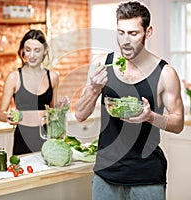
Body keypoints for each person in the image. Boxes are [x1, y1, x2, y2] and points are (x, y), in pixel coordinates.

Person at [75, 1, 184, 200]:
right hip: (106, 173)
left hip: (147, 175)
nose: (125, 41)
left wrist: (151, 117)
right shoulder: (102, 64)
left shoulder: (165, 73)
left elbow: (178, 124)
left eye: (133, 33)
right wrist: (93, 89)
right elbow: (80, 115)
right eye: (121, 32)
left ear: (148, 32)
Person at [0, 29, 59, 155]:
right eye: (28, 49)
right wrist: (9, 116)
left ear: (45, 51)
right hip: (23, 138)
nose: (31, 55)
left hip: (47, 136)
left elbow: (54, 111)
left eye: (37, 50)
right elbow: (1, 114)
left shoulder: (53, 76)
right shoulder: (14, 77)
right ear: (22, 51)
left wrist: (61, 110)